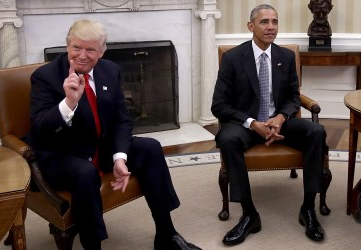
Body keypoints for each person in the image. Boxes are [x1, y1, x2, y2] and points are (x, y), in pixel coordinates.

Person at [27, 19, 201, 250]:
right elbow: (40, 128)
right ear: (67, 45)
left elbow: (121, 119)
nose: (82, 55)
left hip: (101, 146)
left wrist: (120, 156)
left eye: (91, 49)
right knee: (85, 173)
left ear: (102, 51)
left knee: (150, 147)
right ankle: (93, 245)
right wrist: (68, 103)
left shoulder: (110, 70)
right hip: (62, 154)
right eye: (76, 47)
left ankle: (166, 234)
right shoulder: (45, 76)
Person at [211, 4, 327, 246]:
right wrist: (253, 123)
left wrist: (281, 117)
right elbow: (219, 105)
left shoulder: (285, 56)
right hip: (246, 125)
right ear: (250, 26)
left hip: (280, 123)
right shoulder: (233, 58)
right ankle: (249, 214)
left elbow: (294, 97)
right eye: (264, 22)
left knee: (316, 131)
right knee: (227, 138)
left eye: (274, 21)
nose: (271, 27)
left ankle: (307, 209)